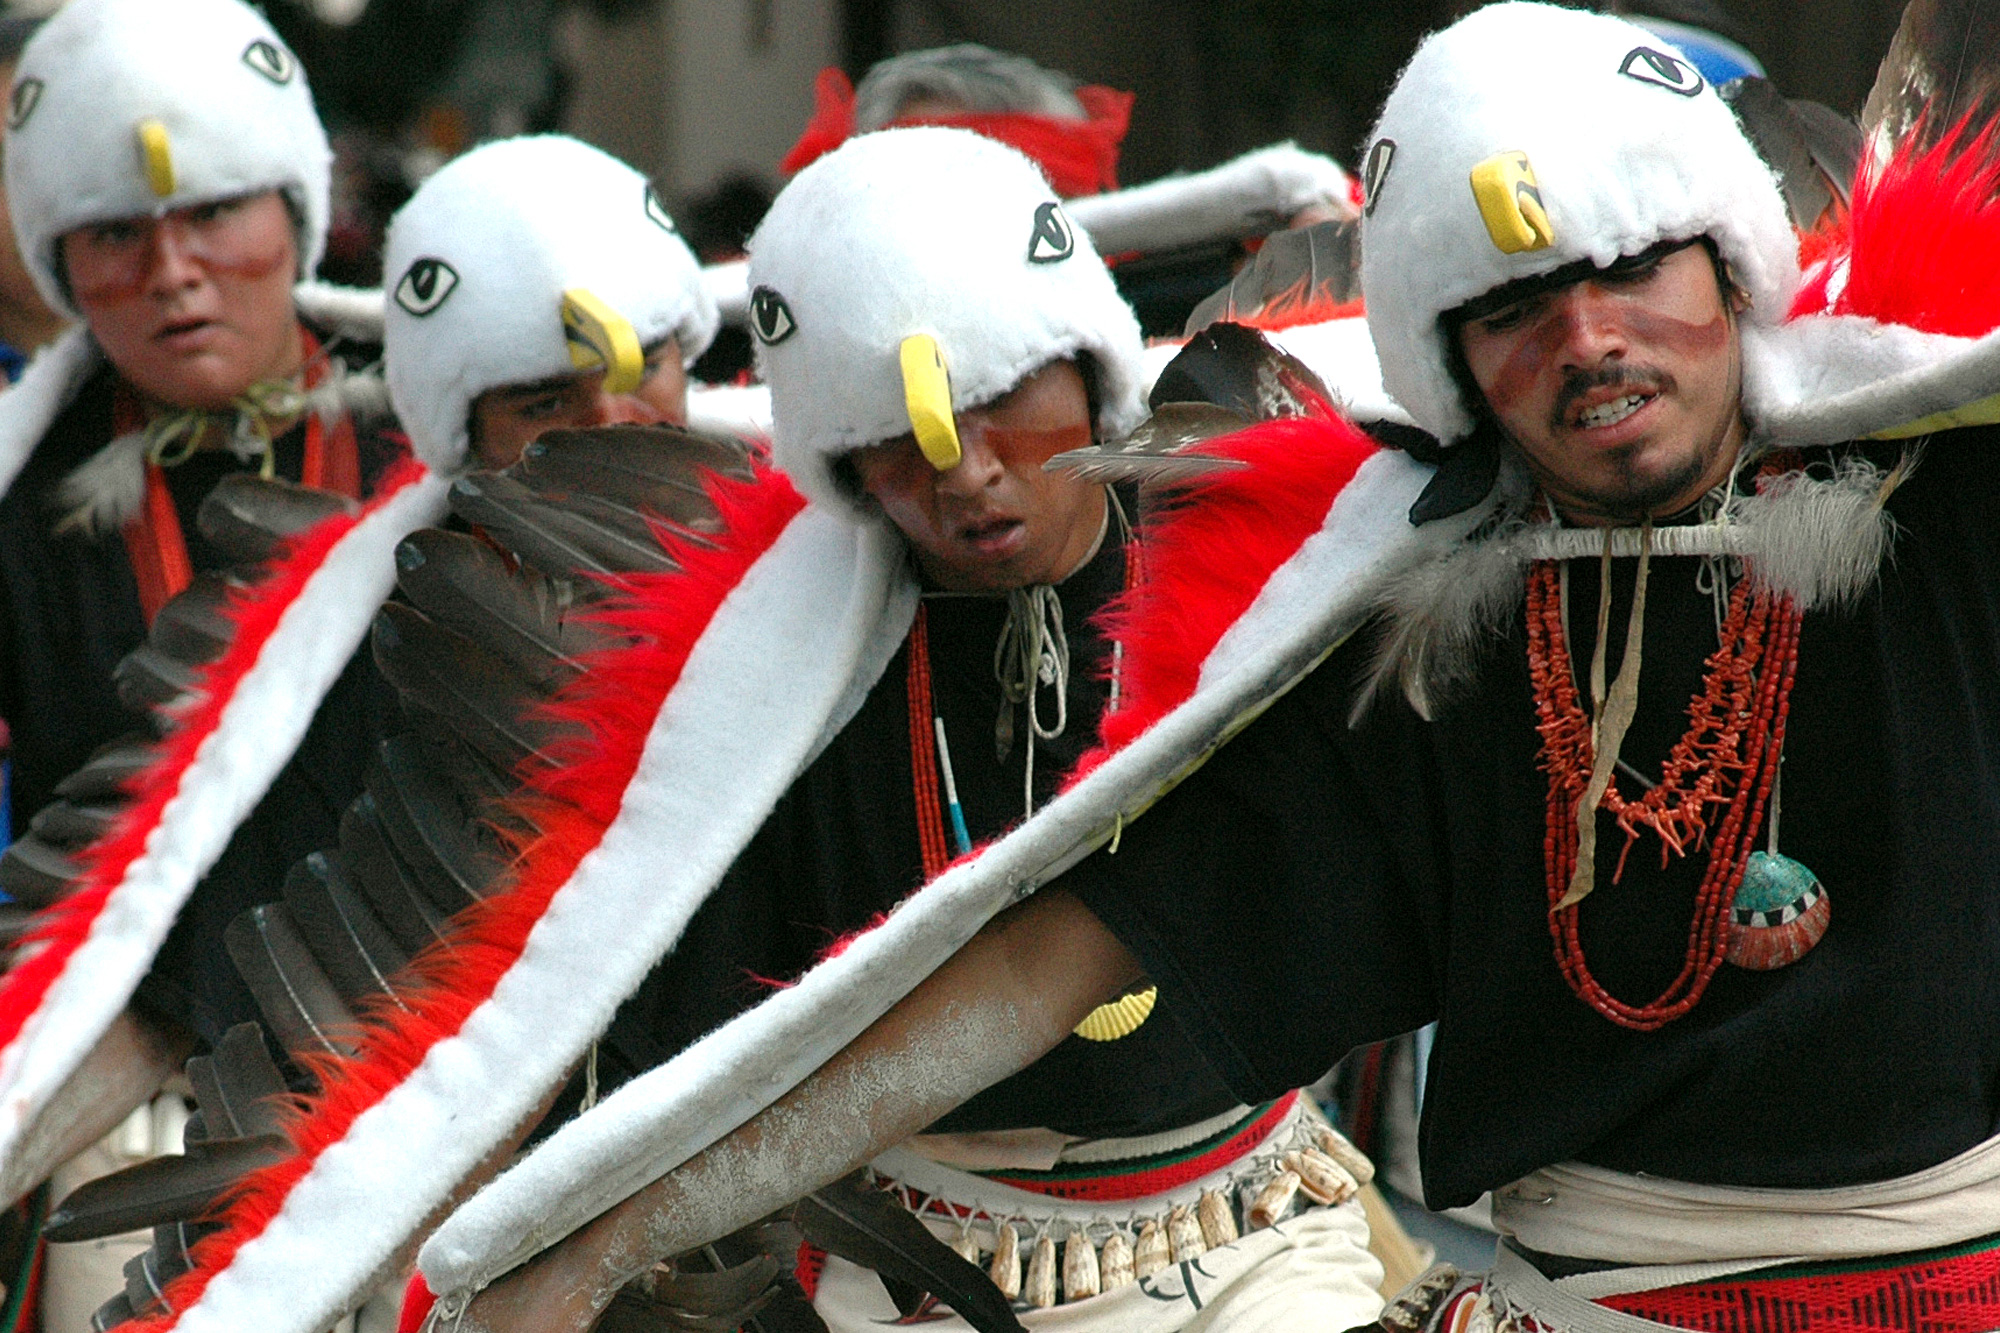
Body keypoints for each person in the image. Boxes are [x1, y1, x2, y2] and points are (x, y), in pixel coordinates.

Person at [416, 6, 2000, 1332]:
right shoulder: (1399, 642)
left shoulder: (1958, 503)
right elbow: (1047, 961)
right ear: (1446, 363)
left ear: (1736, 272)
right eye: (1511, 308)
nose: (1585, 341)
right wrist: (601, 1241)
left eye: (1636, 268)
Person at [9, 130, 719, 1333]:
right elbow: (179, 983)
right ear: (461, 433)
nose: (609, 425)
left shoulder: (823, 584)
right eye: (545, 398)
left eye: (643, 369)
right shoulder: (350, 654)